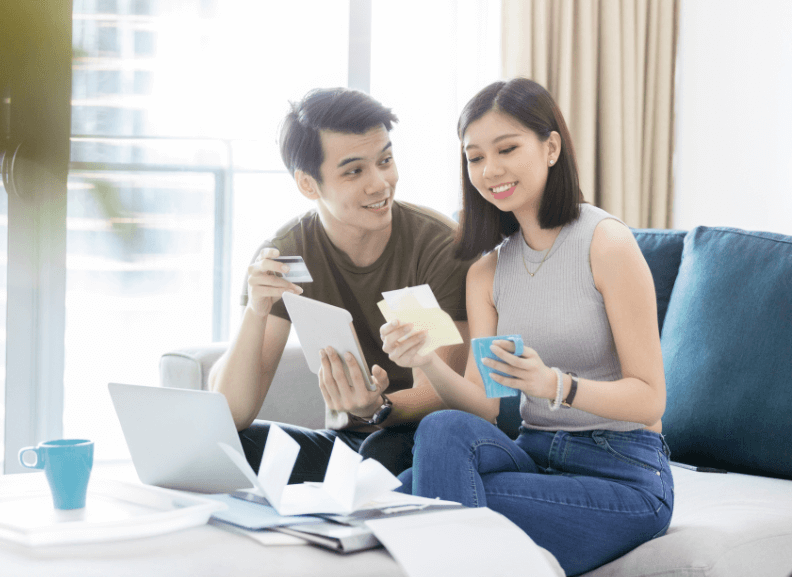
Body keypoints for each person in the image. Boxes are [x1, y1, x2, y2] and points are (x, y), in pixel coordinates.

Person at [380, 78, 672, 576]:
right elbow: (483, 404)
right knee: (442, 429)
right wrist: (426, 360)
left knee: (414, 494)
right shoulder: (487, 272)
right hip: (533, 457)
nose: (489, 170)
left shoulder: (606, 244)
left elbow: (650, 399)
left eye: (507, 148)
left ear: (551, 146)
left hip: (622, 472)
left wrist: (554, 385)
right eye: (474, 158)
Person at [209, 87, 474, 482]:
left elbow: (442, 393)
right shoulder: (287, 255)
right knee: (224, 448)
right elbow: (231, 413)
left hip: (423, 439)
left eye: (385, 160)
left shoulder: (435, 246)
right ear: (308, 184)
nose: (380, 184)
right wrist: (256, 310)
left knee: (383, 450)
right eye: (354, 171)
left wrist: (378, 407)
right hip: (347, 445)